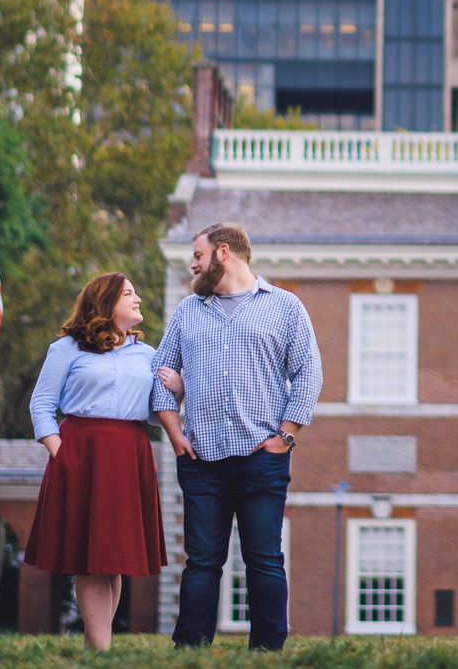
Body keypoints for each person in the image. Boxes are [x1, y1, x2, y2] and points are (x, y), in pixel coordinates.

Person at [151, 223, 324, 650]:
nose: (192, 264)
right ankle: (189, 651)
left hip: (261, 458)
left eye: (197, 255)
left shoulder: (284, 307)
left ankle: (267, 651)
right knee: (202, 564)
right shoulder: (188, 311)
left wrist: (285, 437)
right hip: (201, 462)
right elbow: (158, 378)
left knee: (264, 561)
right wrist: (174, 434)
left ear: (223, 253)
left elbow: (308, 374)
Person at [24, 272, 165, 651]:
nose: (138, 299)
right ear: (106, 301)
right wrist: (61, 452)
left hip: (129, 452)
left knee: (113, 556)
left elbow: (155, 413)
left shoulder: (150, 355)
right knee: (89, 556)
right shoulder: (67, 348)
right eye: (129, 293)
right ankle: (101, 651)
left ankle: (94, 649)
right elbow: (41, 405)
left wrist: (177, 390)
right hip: (81, 453)